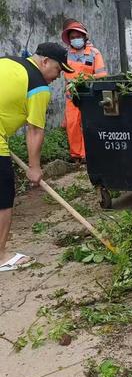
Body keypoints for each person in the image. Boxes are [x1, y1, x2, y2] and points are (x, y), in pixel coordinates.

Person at [0, 43, 74, 271]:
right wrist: (34, 167)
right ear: (45, 62)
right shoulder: (38, 85)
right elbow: (35, 130)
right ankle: (1, 257)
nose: (57, 77)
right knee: (3, 197)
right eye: (58, 70)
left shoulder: (8, 62)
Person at [61, 20, 107, 162]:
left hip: (89, 96)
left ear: (84, 37)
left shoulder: (94, 53)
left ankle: (91, 152)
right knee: (73, 124)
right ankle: (77, 155)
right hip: (71, 96)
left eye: (77, 36)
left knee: (90, 123)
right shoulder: (66, 54)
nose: (75, 39)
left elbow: (102, 74)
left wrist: (84, 79)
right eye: (72, 37)